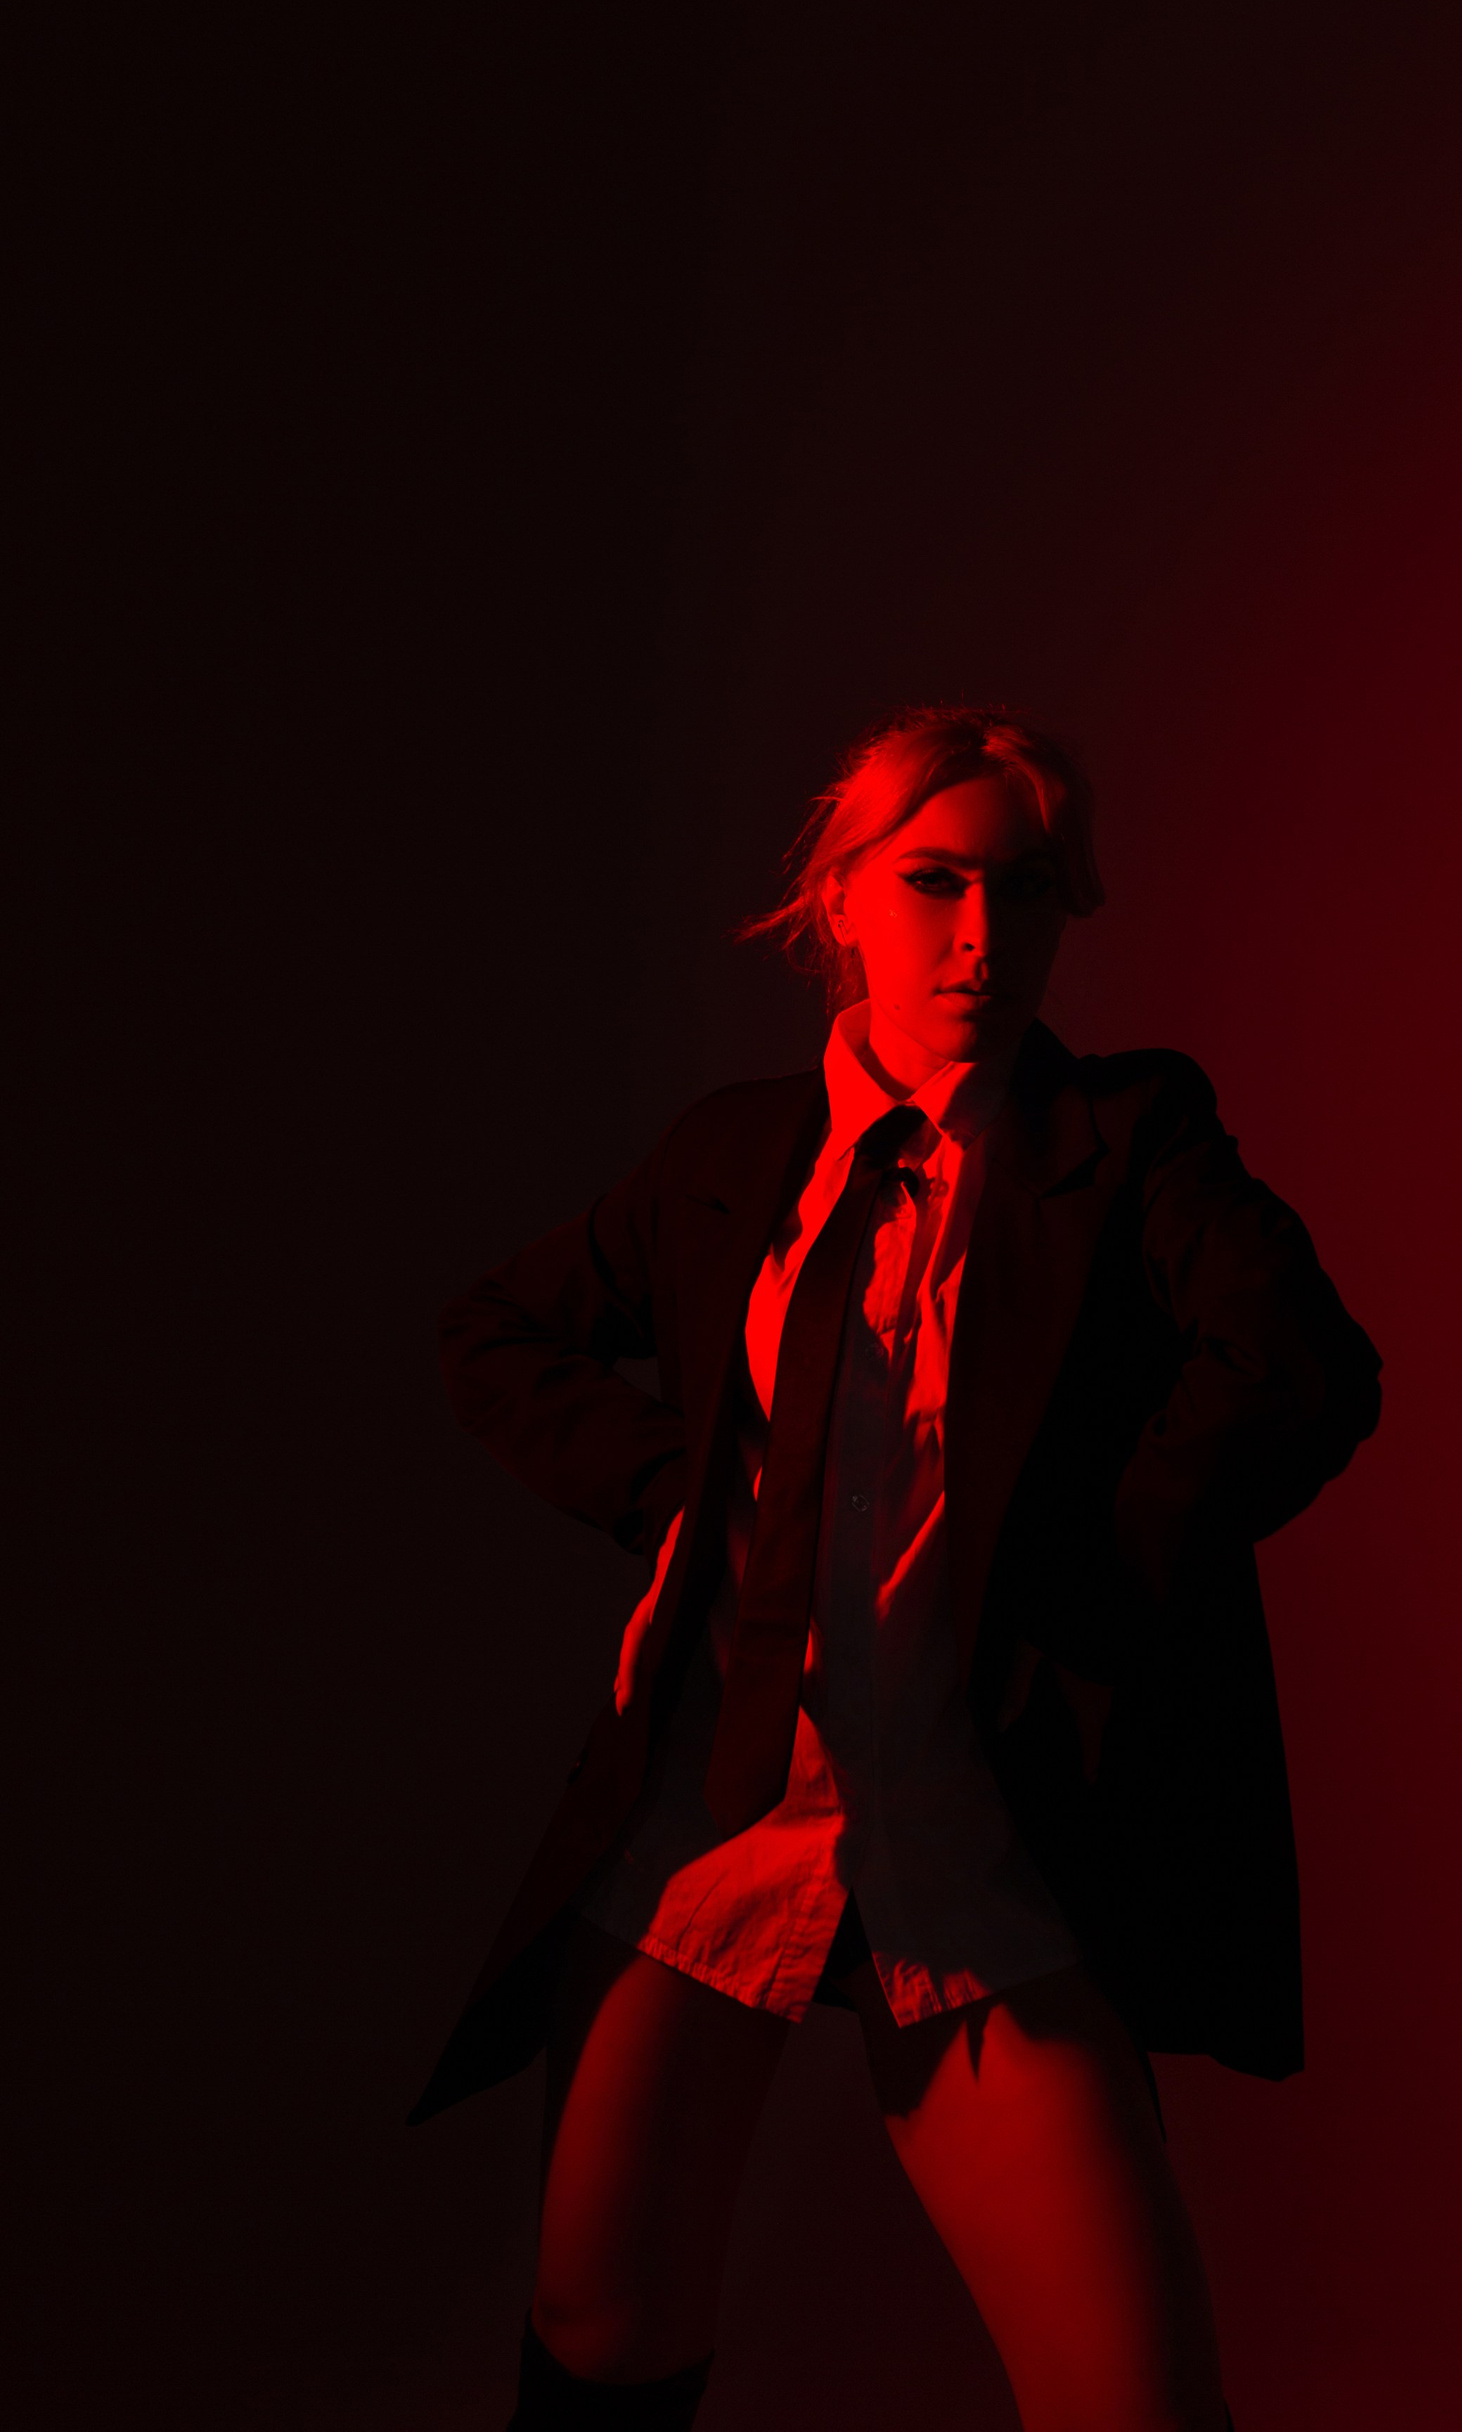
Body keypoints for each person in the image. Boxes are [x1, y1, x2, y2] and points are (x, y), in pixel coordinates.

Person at [412, 704, 1383, 2432]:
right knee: (599, 2323)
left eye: (1030, 890)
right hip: (718, 1819)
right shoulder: (729, 1159)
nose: (985, 937)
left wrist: (1070, 1583)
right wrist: (679, 1499)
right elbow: (498, 1335)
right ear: (841, 896)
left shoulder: (1126, 1140)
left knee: (1133, 2400)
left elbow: (1299, 1368)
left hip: (970, 1831)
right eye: (936, 882)